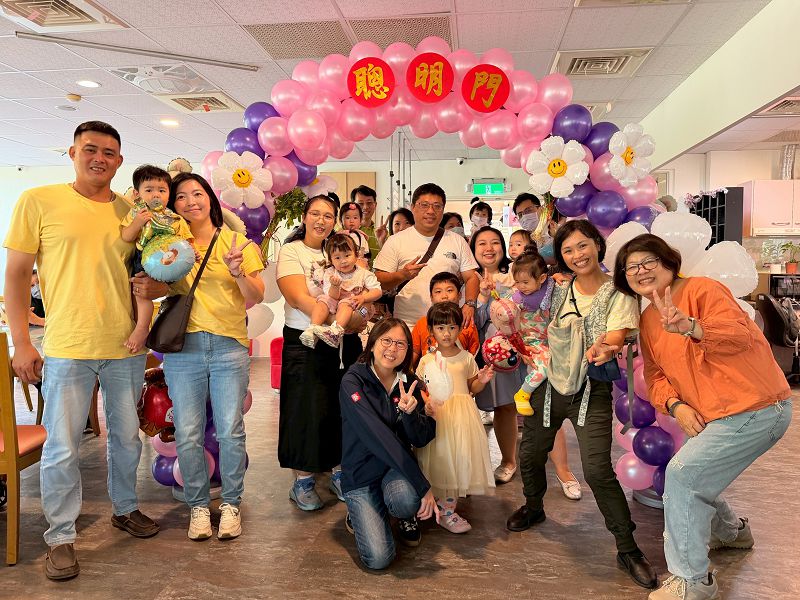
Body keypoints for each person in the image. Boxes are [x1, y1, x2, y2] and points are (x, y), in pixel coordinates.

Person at [4, 121, 166, 581]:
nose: (100, 158)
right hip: (67, 346)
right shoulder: (39, 201)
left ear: (120, 161)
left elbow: (155, 272)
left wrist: (156, 288)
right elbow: (16, 276)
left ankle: (125, 508)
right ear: (72, 152)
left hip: (125, 346)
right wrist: (22, 342)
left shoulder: (134, 211)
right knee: (61, 446)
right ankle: (60, 537)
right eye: (90, 149)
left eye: (109, 152)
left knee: (127, 438)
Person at [613, 234, 793, 600]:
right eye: (631, 267)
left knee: (682, 476)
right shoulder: (648, 320)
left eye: (648, 261)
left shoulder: (703, 289)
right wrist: (675, 406)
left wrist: (692, 327)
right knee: (694, 477)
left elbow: (740, 336)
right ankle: (731, 533)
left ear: (668, 261)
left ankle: (692, 581)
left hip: (756, 407)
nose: (641, 271)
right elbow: (656, 376)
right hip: (716, 416)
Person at [507, 220, 658, 590]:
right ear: (561, 257)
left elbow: (617, 335)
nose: (577, 255)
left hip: (591, 389)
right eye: (568, 250)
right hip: (549, 386)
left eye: (582, 245)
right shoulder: (556, 288)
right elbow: (527, 310)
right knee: (530, 453)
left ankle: (627, 547)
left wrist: (605, 346)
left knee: (597, 470)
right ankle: (534, 506)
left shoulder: (619, 292)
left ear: (597, 245)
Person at [161, 172, 264, 541]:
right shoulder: (169, 245)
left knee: (230, 430)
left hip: (228, 346)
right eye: (181, 196)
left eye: (198, 193)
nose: (191, 201)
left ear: (210, 198)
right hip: (183, 349)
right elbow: (155, 284)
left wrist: (237, 272)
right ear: (173, 205)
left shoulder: (237, 242)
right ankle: (199, 507)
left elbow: (257, 295)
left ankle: (231, 504)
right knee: (187, 432)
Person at [471, 228, 580, 494]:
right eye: (482, 243)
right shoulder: (471, 280)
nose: (489, 248)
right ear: (473, 249)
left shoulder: (525, 274)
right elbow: (477, 321)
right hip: (503, 355)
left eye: (495, 242)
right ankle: (508, 461)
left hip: (537, 351)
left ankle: (563, 471)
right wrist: (484, 297)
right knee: (505, 408)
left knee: (547, 408)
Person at [277, 194, 367, 511]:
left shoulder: (342, 253)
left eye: (328, 215)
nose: (321, 220)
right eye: (315, 213)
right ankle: (302, 481)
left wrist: (355, 318)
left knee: (341, 409)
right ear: (304, 217)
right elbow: (298, 297)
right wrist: (340, 321)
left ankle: (339, 473)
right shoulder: (292, 251)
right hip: (306, 340)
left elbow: (362, 299)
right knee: (305, 409)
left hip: (343, 343)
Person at [339, 318, 438, 569]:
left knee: (406, 500)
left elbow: (420, 439)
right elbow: (377, 435)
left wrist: (411, 414)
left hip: (395, 469)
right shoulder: (353, 381)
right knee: (378, 559)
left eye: (401, 344)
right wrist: (422, 485)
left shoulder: (409, 382)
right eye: (386, 340)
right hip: (361, 473)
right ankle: (360, 510)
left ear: (407, 350)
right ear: (372, 344)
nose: (392, 349)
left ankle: (402, 514)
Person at [415, 302, 495, 533]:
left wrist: (482, 380)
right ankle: (433, 504)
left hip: (462, 416)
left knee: (458, 459)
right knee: (439, 458)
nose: (446, 333)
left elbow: (472, 387)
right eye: (440, 328)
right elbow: (422, 388)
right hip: (438, 415)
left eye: (452, 327)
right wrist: (427, 403)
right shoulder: (427, 360)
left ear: (460, 329)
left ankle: (448, 510)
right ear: (431, 330)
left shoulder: (466, 358)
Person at [374, 182, 479, 329]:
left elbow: (472, 277)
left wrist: (470, 304)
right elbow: (378, 281)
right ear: (413, 207)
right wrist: (402, 275)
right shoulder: (395, 241)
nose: (431, 211)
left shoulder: (457, 241)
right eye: (424, 205)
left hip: (447, 326)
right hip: (408, 324)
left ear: (443, 210)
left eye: (437, 206)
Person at [120, 165, 196, 353]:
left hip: (172, 258)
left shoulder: (175, 218)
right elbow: (126, 236)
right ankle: (142, 327)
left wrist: (192, 252)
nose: (156, 195)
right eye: (149, 190)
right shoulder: (136, 213)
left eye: (161, 190)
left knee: (150, 290)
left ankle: (142, 326)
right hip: (145, 257)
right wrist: (138, 223)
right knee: (141, 292)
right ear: (137, 194)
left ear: (169, 195)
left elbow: (187, 240)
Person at [301, 232, 381, 348]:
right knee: (323, 300)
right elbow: (332, 296)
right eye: (337, 258)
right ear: (331, 260)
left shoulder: (364, 274)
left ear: (356, 255)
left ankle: (336, 331)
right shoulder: (330, 273)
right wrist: (334, 286)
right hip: (334, 301)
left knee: (345, 303)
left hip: (353, 304)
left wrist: (363, 297)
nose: (343, 261)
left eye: (347, 255)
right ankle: (312, 328)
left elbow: (377, 291)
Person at [410, 271, 479, 368]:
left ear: (459, 295)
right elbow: (414, 352)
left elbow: (473, 356)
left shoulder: (467, 322)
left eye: (449, 290)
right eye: (438, 292)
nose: (444, 296)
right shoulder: (422, 323)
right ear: (431, 297)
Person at [513, 192, 565, 263]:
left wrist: (556, 237)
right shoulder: (524, 239)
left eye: (528, 210)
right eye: (520, 214)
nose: (524, 216)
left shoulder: (556, 228)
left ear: (541, 209)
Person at [352, 185, 386, 263]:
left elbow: (389, 261)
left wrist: (382, 242)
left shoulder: (383, 233)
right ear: (353, 206)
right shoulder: (346, 231)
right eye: (360, 203)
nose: (365, 207)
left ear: (375, 205)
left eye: (369, 203)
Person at [338, 201, 371, 268]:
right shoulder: (339, 236)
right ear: (341, 220)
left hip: (358, 263)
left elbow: (363, 251)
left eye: (355, 218)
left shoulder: (361, 235)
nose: (351, 221)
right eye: (347, 218)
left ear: (360, 220)